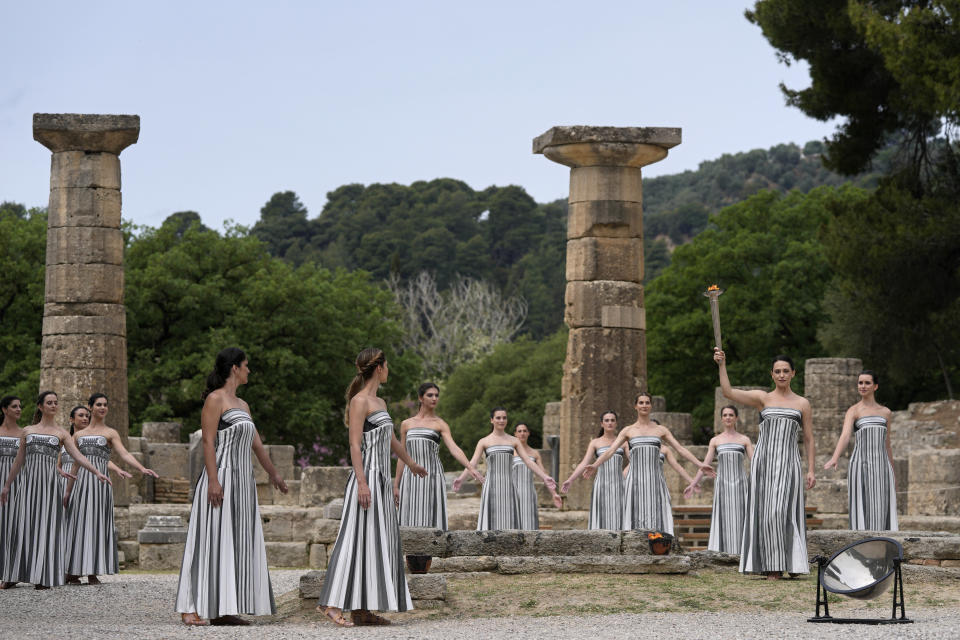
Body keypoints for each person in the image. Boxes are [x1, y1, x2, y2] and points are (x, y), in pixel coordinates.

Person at [176, 348, 288, 626]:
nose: (249, 370)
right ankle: (189, 607)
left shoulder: (243, 405)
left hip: (243, 483)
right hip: (221, 478)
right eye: (247, 366)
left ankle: (225, 607)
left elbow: (257, 445)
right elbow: (207, 442)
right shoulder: (215, 400)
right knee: (208, 540)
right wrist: (214, 481)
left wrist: (274, 474)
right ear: (235, 368)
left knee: (234, 542)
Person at [316, 348, 427, 627]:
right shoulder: (359, 401)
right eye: (387, 366)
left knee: (377, 543)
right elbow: (354, 443)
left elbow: (390, 440)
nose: (389, 370)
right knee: (354, 539)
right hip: (365, 480)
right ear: (379, 368)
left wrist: (411, 464)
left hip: (381, 481)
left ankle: (362, 611)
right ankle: (330, 604)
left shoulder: (381, 402)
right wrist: (362, 482)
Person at [715, 350, 815, 579]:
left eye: (785, 371)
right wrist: (722, 364)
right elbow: (728, 392)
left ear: (793, 374)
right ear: (772, 374)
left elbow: (808, 438)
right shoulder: (763, 398)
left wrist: (810, 469)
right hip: (764, 463)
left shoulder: (802, 403)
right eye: (777, 371)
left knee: (782, 512)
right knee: (766, 513)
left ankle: (791, 562)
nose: (781, 375)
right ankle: (772, 567)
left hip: (789, 463)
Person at [0, 391, 110, 589]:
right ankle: (13, 574)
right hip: (27, 485)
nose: (53, 405)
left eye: (55, 403)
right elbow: (19, 461)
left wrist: (96, 472)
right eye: (49, 402)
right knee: (23, 527)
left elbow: (79, 456)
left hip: (50, 487)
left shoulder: (61, 433)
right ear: (40, 406)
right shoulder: (28, 430)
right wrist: (7, 485)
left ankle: (44, 576)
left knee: (47, 529)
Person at [63, 393, 158, 585]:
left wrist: (140, 467)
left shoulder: (111, 432)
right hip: (81, 483)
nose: (102, 407)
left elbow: (123, 453)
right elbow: (75, 464)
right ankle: (74, 570)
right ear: (90, 407)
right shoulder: (78, 435)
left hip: (100, 485)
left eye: (105, 404)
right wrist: (67, 490)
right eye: (98, 404)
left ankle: (92, 572)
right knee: (79, 524)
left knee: (96, 524)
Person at [586, 393, 713, 532]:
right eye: (641, 403)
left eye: (647, 402)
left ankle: (660, 547)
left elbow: (680, 449)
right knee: (634, 520)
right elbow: (610, 451)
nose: (644, 405)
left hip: (655, 481)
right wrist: (595, 465)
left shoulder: (660, 430)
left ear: (651, 405)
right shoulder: (628, 430)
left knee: (657, 518)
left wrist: (699, 464)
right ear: (636, 406)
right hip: (634, 482)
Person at [394, 382, 483, 530]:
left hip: (432, 476)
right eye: (430, 395)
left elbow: (454, 448)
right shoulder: (406, 424)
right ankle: (411, 554)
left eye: (436, 395)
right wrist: (396, 484)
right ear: (420, 398)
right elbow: (402, 456)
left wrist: (470, 467)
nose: (434, 398)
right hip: (410, 478)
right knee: (409, 519)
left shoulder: (440, 424)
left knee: (430, 519)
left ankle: (429, 553)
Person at [456, 408, 557, 531]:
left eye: (504, 418)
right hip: (491, 487)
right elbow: (472, 463)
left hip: (509, 486)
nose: (502, 420)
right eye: (498, 418)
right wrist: (461, 479)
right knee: (491, 523)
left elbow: (528, 461)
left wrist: (545, 477)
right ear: (492, 420)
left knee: (510, 523)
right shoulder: (484, 441)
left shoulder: (514, 441)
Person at [824, 370, 898, 531]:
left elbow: (887, 444)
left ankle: (883, 549)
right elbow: (845, 436)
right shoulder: (854, 411)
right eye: (860, 383)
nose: (863, 386)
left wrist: (892, 472)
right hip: (860, 465)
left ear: (875, 386)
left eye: (867, 383)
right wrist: (835, 457)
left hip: (881, 466)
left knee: (881, 507)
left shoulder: (886, 413)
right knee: (861, 507)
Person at [685, 405, 753, 553]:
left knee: (741, 517)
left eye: (731, 415)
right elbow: (705, 465)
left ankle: (742, 553)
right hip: (722, 485)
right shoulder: (715, 441)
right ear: (721, 418)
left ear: (736, 418)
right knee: (724, 518)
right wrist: (693, 483)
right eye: (725, 415)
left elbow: (756, 464)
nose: (728, 417)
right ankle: (723, 552)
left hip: (741, 485)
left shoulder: (744, 440)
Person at [560, 411, 627, 530]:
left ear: (616, 423)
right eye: (607, 420)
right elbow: (584, 463)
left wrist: (624, 474)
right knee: (602, 515)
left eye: (612, 420)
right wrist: (570, 480)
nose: (610, 423)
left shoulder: (623, 442)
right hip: (601, 484)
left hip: (619, 484)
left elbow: (633, 461)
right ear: (602, 424)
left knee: (620, 514)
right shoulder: (595, 442)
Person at [511, 422, 563, 530]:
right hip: (513, 492)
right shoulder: (510, 452)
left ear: (528, 433)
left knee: (529, 524)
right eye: (519, 431)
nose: (522, 433)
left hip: (529, 492)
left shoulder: (534, 453)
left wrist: (554, 494)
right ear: (515, 434)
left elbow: (543, 475)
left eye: (525, 431)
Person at [0, 396, 23, 589]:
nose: (18, 409)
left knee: (12, 527)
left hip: (17, 483)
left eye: (20, 407)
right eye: (14, 406)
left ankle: (11, 573)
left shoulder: (24, 433)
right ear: (4, 409)